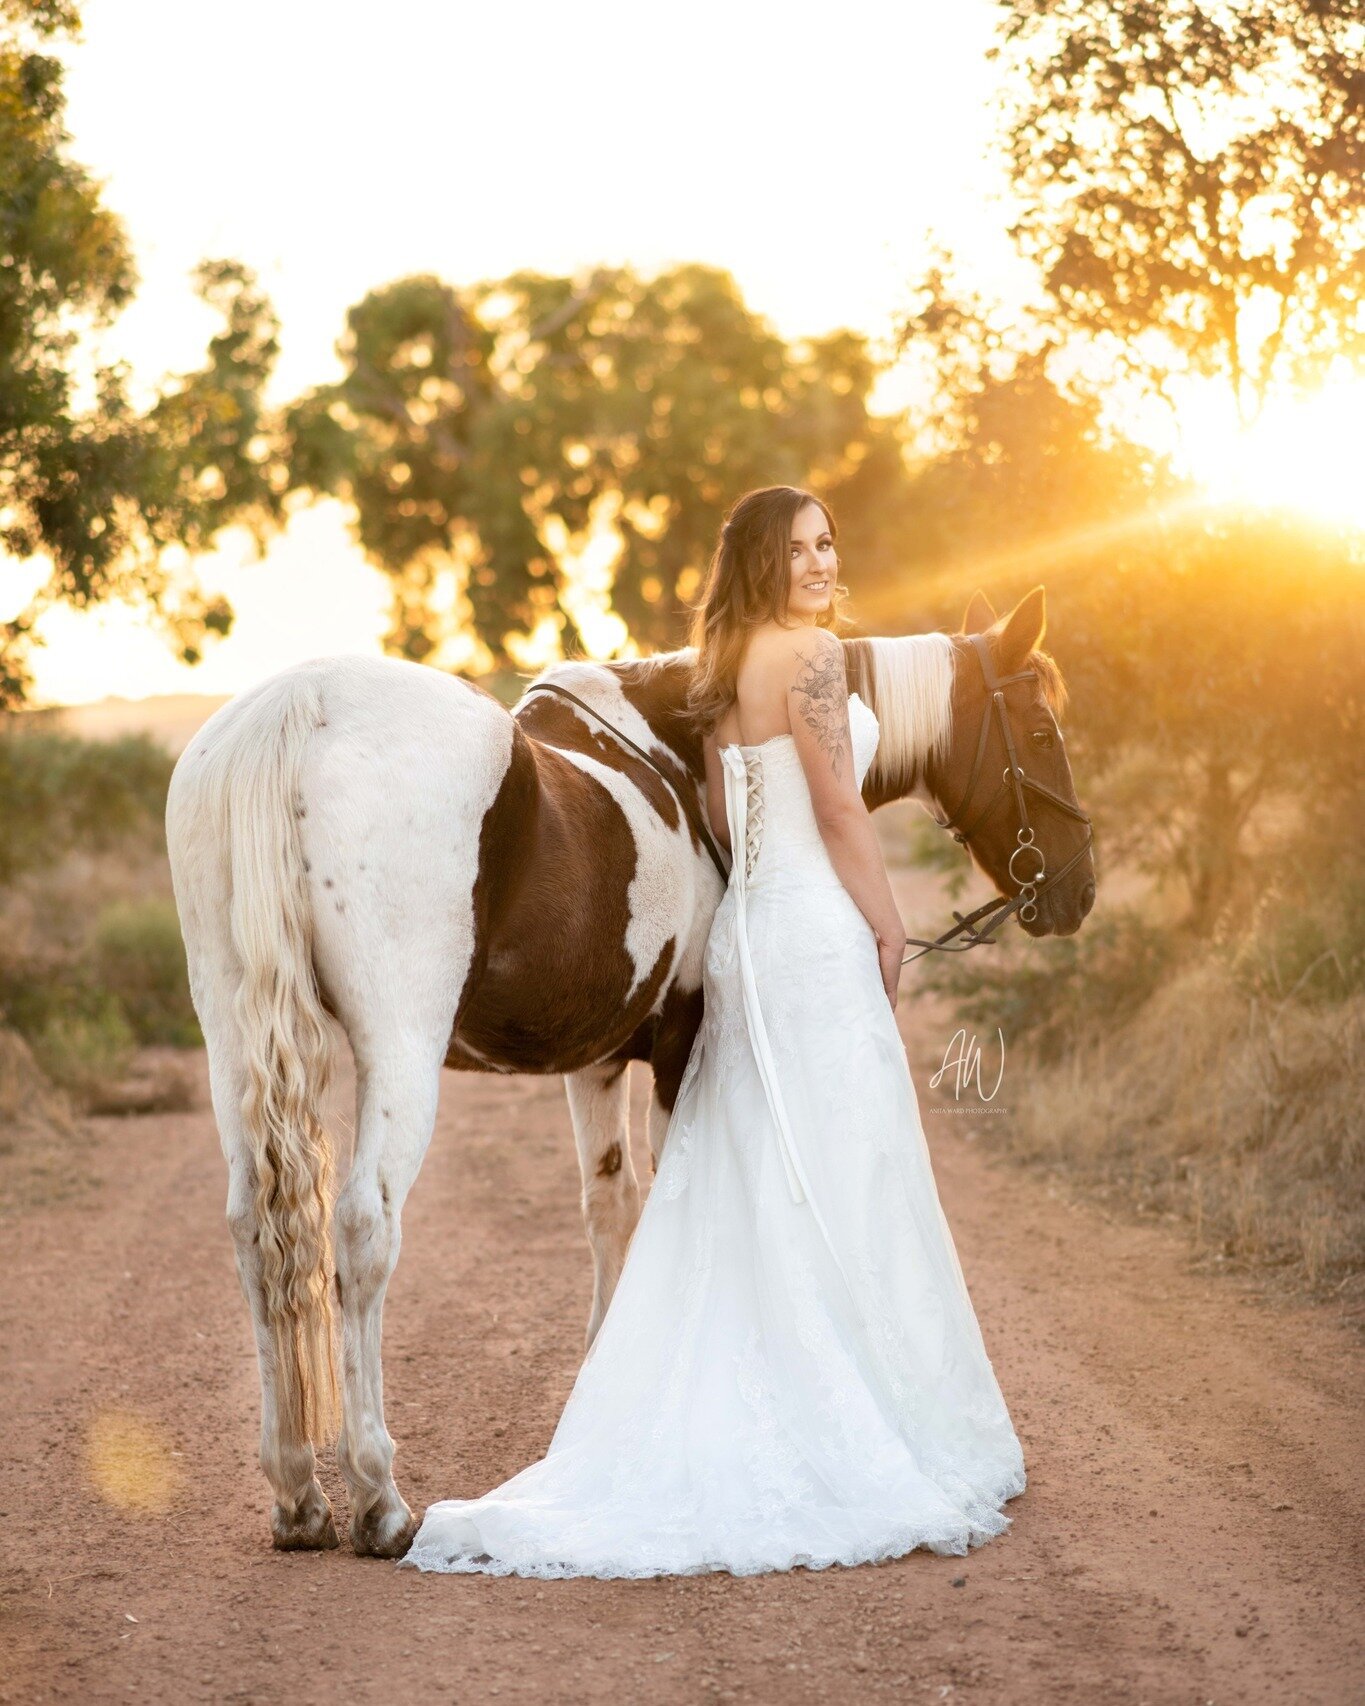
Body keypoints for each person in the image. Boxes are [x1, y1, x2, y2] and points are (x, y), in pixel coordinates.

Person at [402, 486, 1026, 1580]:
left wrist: (774, 895)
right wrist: (888, 924)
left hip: (749, 927)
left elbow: (734, 821)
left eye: (831, 541)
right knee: (846, 1165)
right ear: (762, 562)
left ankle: (743, 1400)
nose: (823, 561)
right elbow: (840, 808)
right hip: (817, 932)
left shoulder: (724, 665)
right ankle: (859, 1414)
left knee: (748, 1170)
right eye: (799, 549)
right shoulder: (819, 659)